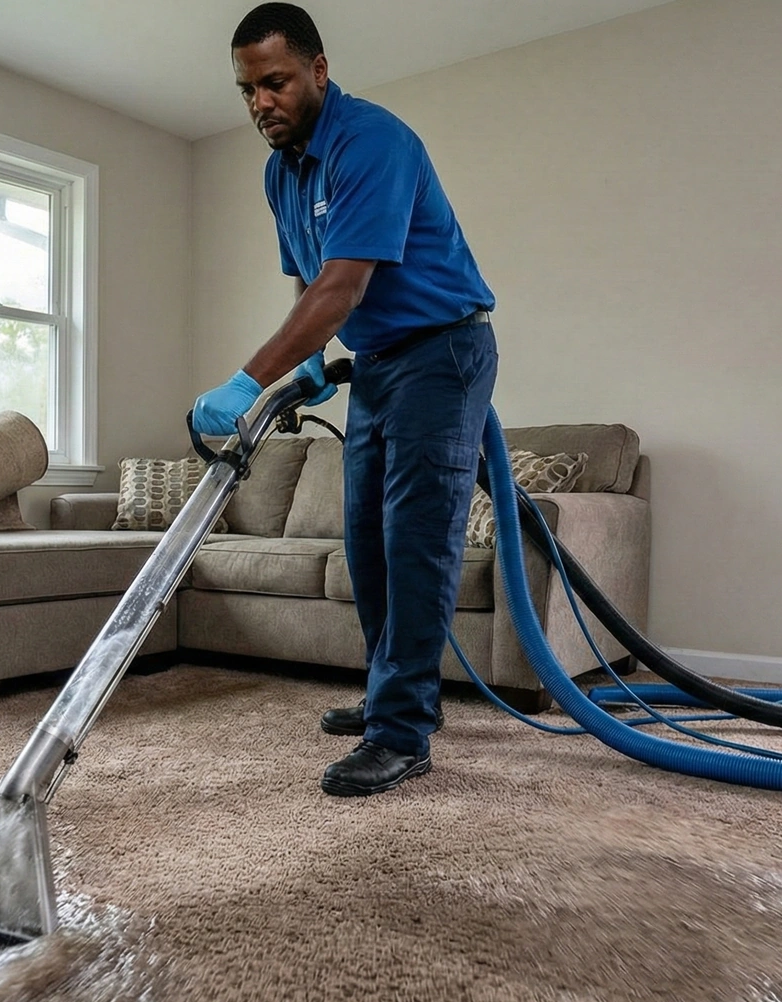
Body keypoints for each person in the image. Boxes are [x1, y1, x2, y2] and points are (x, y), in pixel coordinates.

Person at [192, 2, 497, 797]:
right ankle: (387, 695)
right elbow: (308, 275)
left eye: (276, 82)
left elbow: (345, 281)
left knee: (413, 540)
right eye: (248, 89)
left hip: (443, 351)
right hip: (376, 363)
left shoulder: (372, 141)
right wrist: (318, 359)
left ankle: (403, 733)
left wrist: (249, 379)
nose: (262, 101)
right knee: (364, 541)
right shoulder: (280, 171)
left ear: (318, 71)